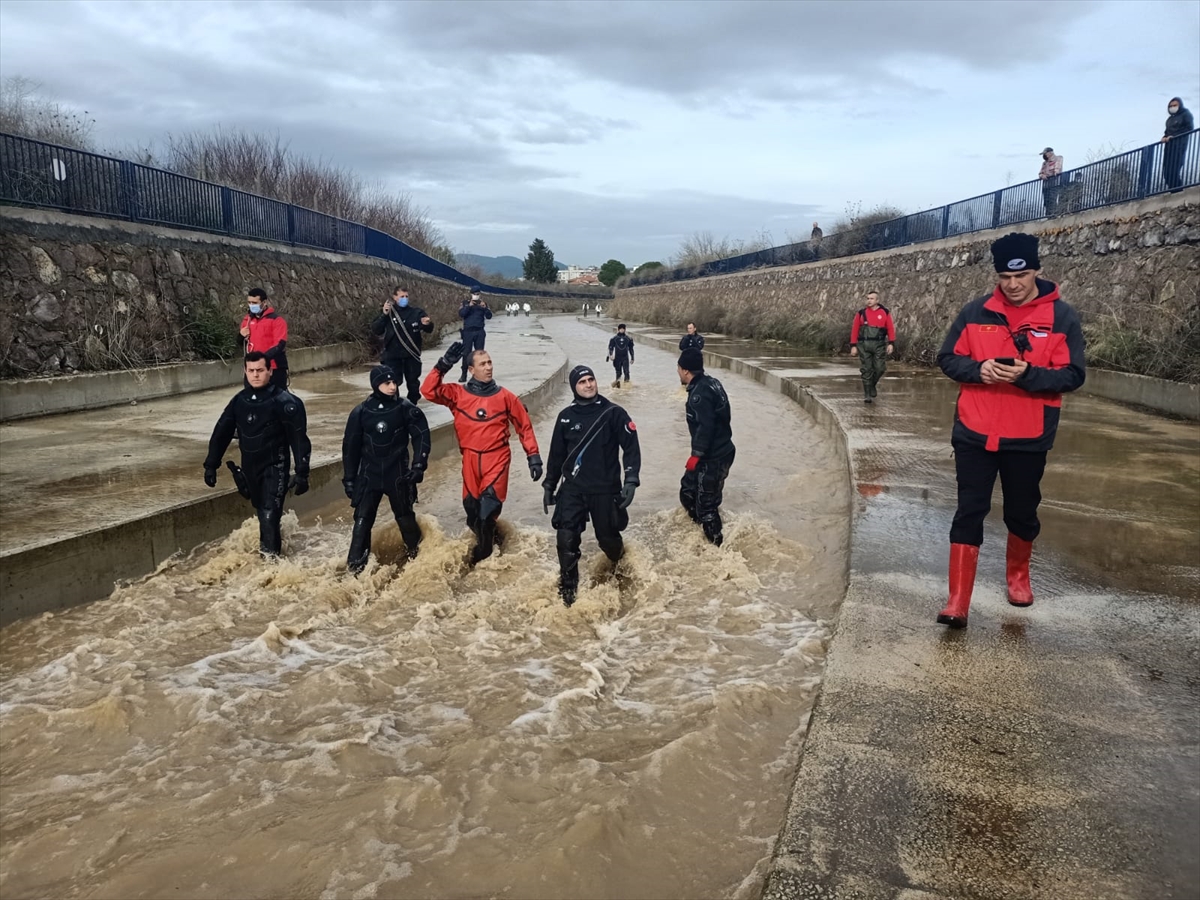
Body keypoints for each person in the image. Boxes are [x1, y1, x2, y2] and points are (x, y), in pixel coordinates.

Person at [935, 232, 1086, 629]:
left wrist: (1028, 375)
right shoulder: (974, 312)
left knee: (1022, 510)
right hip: (974, 430)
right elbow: (947, 358)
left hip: (1028, 434)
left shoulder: (1061, 317)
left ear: (1036, 271)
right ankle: (957, 600)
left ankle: (1018, 577)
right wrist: (978, 370)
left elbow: (1073, 375)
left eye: (1021, 276)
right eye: (1004, 277)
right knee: (970, 509)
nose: (1013, 285)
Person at [422, 341, 543, 563]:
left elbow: (524, 426)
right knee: (472, 516)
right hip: (469, 459)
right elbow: (428, 391)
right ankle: (493, 539)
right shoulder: (457, 394)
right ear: (471, 370)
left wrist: (533, 457)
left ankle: (482, 558)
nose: (488, 367)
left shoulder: (506, 397)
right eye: (483, 364)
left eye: (490, 363)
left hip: (496, 458)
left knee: (487, 514)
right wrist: (443, 365)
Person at [543, 365, 641, 606]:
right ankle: (568, 592)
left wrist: (631, 480)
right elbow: (556, 455)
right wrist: (549, 485)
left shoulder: (614, 413)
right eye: (582, 382)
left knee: (607, 539)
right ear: (574, 387)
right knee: (565, 539)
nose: (588, 385)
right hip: (573, 489)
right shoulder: (565, 416)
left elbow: (631, 447)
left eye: (591, 379)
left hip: (604, 489)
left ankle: (621, 566)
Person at [203, 352, 312, 558]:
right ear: (245, 371)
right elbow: (221, 433)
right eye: (251, 371)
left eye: (260, 370)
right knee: (263, 513)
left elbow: (299, 440)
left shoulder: (285, 402)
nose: (255, 375)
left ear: (270, 371)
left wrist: (302, 472)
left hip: (276, 466)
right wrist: (211, 464)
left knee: (269, 513)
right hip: (250, 467)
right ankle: (273, 552)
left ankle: (269, 567)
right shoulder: (239, 401)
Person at [341, 365, 432, 573]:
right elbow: (350, 448)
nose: (392, 387)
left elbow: (422, 435)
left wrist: (419, 466)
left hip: (397, 474)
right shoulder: (361, 411)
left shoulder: (405, 407)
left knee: (405, 516)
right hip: (369, 476)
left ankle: (418, 562)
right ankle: (355, 568)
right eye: (387, 383)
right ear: (375, 385)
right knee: (362, 520)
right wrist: (349, 479)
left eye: (394, 383)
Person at [677, 347, 735, 547]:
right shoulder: (713, 383)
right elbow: (725, 416)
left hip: (712, 457)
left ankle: (717, 550)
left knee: (707, 507)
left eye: (678, 368)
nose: (678, 372)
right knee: (687, 492)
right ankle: (699, 531)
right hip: (721, 451)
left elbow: (706, 427)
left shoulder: (698, 396)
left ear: (685, 371)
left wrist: (696, 455)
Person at [372, 286, 434, 404]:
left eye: (406, 296)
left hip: (411, 355)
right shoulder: (389, 313)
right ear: (395, 297)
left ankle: (413, 405)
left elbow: (429, 329)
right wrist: (384, 315)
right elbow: (376, 329)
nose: (404, 299)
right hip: (392, 355)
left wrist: (427, 324)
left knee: (413, 383)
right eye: (402, 296)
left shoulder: (416, 313)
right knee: (392, 382)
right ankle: (395, 406)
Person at [849, 290, 896, 403]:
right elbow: (855, 330)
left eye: (871, 299)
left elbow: (890, 328)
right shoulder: (861, 313)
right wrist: (853, 345)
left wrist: (891, 343)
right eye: (868, 298)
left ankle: (872, 385)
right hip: (864, 345)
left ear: (877, 300)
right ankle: (867, 394)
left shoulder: (884, 312)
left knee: (880, 368)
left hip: (879, 344)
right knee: (867, 369)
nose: (869, 301)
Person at [239, 288, 289, 389]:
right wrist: (241, 336)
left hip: (274, 369)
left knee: (277, 400)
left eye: (254, 302)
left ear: (264, 302)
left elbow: (280, 345)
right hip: (253, 369)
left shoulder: (277, 321)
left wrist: (262, 359)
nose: (251, 305)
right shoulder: (247, 320)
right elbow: (242, 343)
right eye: (249, 302)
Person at [457, 289, 493, 383]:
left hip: (479, 331)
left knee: (480, 354)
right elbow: (461, 314)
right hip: (468, 332)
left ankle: (479, 374)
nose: (476, 295)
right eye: (474, 294)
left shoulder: (483, 304)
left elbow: (489, 316)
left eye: (477, 294)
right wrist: (469, 306)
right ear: (471, 294)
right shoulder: (465, 303)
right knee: (466, 353)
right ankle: (464, 373)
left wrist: (485, 308)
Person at [1161, 96, 1194, 192]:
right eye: (1171, 106)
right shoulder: (1169, 119)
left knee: (1174, 171)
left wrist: (1174, 136)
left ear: (1180, 105)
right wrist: (1164, 137)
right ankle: (1173, 192)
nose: (1172, 107)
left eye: (1175, 105)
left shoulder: (1186, 114)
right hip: (1169, 148)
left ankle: (1178, 193)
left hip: (1179, 146)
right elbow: (1167, 132)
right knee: (1167, 173)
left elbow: (1189, 128)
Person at [606, 323, 636, 388]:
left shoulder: (628, 339)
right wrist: (611, 355)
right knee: (618, 373)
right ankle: (617, 387)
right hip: (617, 358)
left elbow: (631, 349)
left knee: (627, 372)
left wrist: (632, 358)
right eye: (621, 329)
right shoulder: (614, 339)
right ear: (618, 329)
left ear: (625, 330)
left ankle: (627, 387)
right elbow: (610, 348)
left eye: (623, 329)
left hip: (625, 358)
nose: (622, 330)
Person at [1038, 147, 1063, 217]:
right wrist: (1042, 175)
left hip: (1054, 181)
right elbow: (1040, 173)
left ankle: (1054, 214)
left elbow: (1058, 169)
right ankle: (1048, 215)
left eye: (1045, 153)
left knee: (1052, 198)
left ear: (1050, 152)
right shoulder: (1044, 163)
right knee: (1046, 200)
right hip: (1046, 183)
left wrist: (1054, 173)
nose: (1045, 155)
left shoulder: (1058, 158)